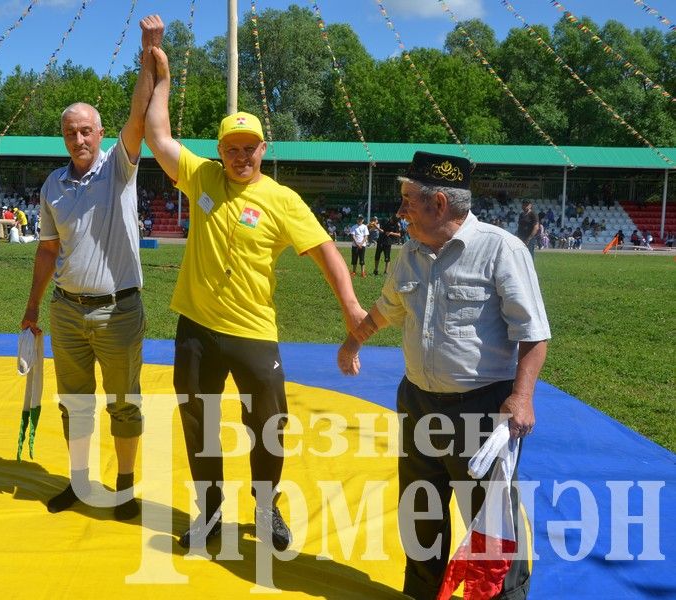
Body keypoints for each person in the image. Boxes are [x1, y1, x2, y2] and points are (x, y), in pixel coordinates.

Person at [144, 45, 366, 551]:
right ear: (220, 150)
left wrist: (351, 306)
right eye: (232, 148)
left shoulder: (282, 200)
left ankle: (266, 509)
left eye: (250, 148)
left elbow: (326, 251)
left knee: (269, 427)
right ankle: (211, 510)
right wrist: (162, 76)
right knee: (199, 425)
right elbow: (157, 134)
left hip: (254, 334)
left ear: (263, 149)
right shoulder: (201, 177)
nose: (240, 157)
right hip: (196, 330)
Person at [338, 151, 550, 600]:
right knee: (420, 514)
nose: (399, 211)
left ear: (438, 203)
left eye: (407, 201)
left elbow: (533, 333)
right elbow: (386, 309)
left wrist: (523, 396)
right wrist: (355, 340)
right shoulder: (410, 253)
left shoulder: (500, 250)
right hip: (418, 403)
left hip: (482, 408)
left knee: (491, 525)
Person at [20, 15, 164, 521]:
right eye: (70, 132)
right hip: (65, 312)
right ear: (63, 138)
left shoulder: (119, 166)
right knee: (73, 404)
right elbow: (46, 250)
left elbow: (139, 113)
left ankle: (124, 487)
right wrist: (33, 307)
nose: (78, 138)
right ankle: (79, 483)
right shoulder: (52, 185)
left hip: (118, 311)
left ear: (100, 134)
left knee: (124, 405)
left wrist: (149, 53)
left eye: (86, 130)